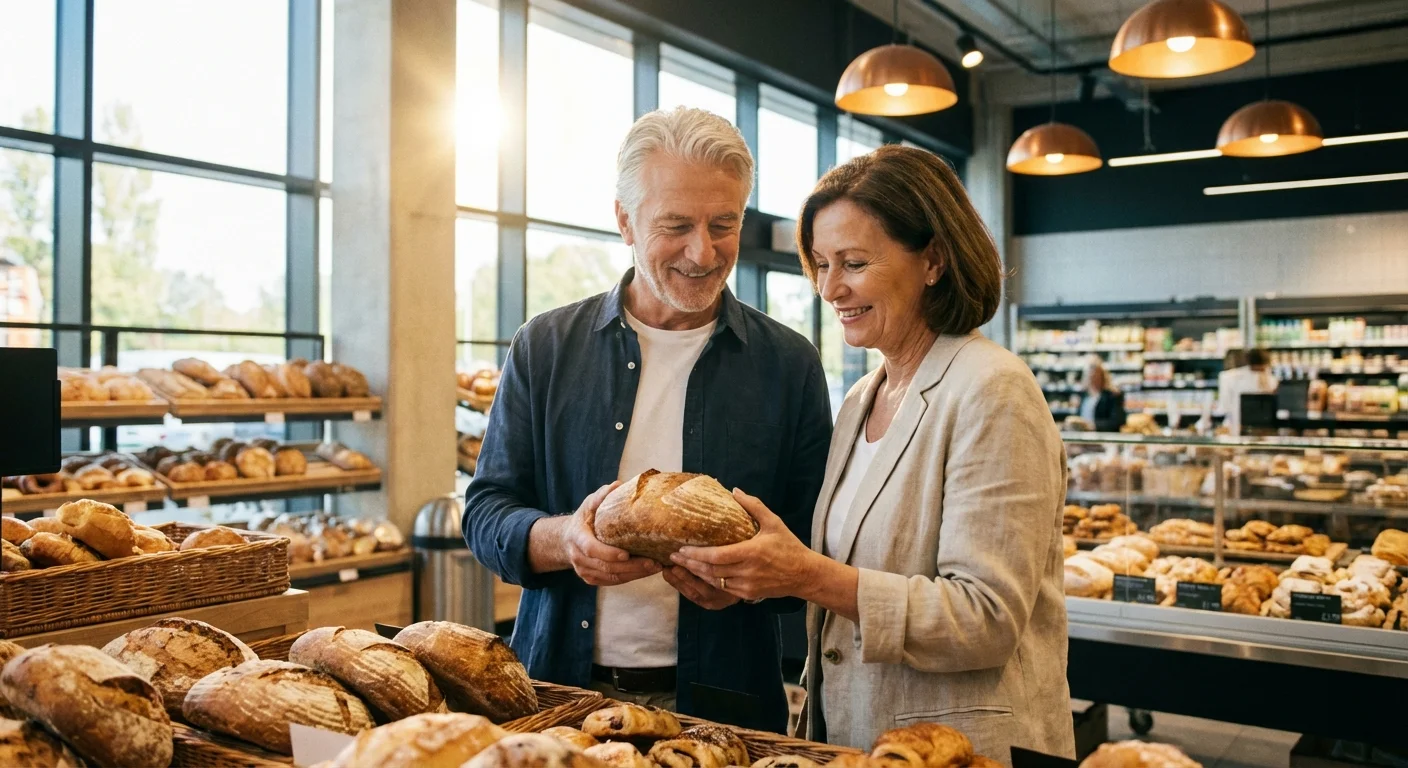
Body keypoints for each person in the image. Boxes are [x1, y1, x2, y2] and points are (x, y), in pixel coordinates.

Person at [671, 145, 1074, 763]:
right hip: (858, 736)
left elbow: (986, 618)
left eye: (854, 263)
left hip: (962, 748)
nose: (832, 288)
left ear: (933, 259)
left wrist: (806, 573)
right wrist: (756, 578)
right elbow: (854, 576)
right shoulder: (864, 395)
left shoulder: (993, 389)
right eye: (822, 264)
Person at [462, 107, 832, 734]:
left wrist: (753, 580)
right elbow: (486, 512)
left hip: (725, 711)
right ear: (624, 221)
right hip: (557, 701)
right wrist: (565, 541)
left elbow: (816, 542)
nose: (703, 251)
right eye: (676, 225)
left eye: (724, 224)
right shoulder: (545, 347)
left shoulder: (787, 363)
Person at [1219, 347, 1278, 435]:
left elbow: (1225, 407)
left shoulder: (1229, 377)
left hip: (1239, 428)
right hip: (1259, 430)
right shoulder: (1271, 380)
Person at [1080, 358, 1126, 432]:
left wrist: (1092, 425)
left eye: (1095, 373)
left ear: (1102, 375)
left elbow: (1117, 421)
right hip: (1083, 439)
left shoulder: (1112, 394)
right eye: (1089, 373)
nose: (1092, 376)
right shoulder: (1084, 395)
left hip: (1104, 439)